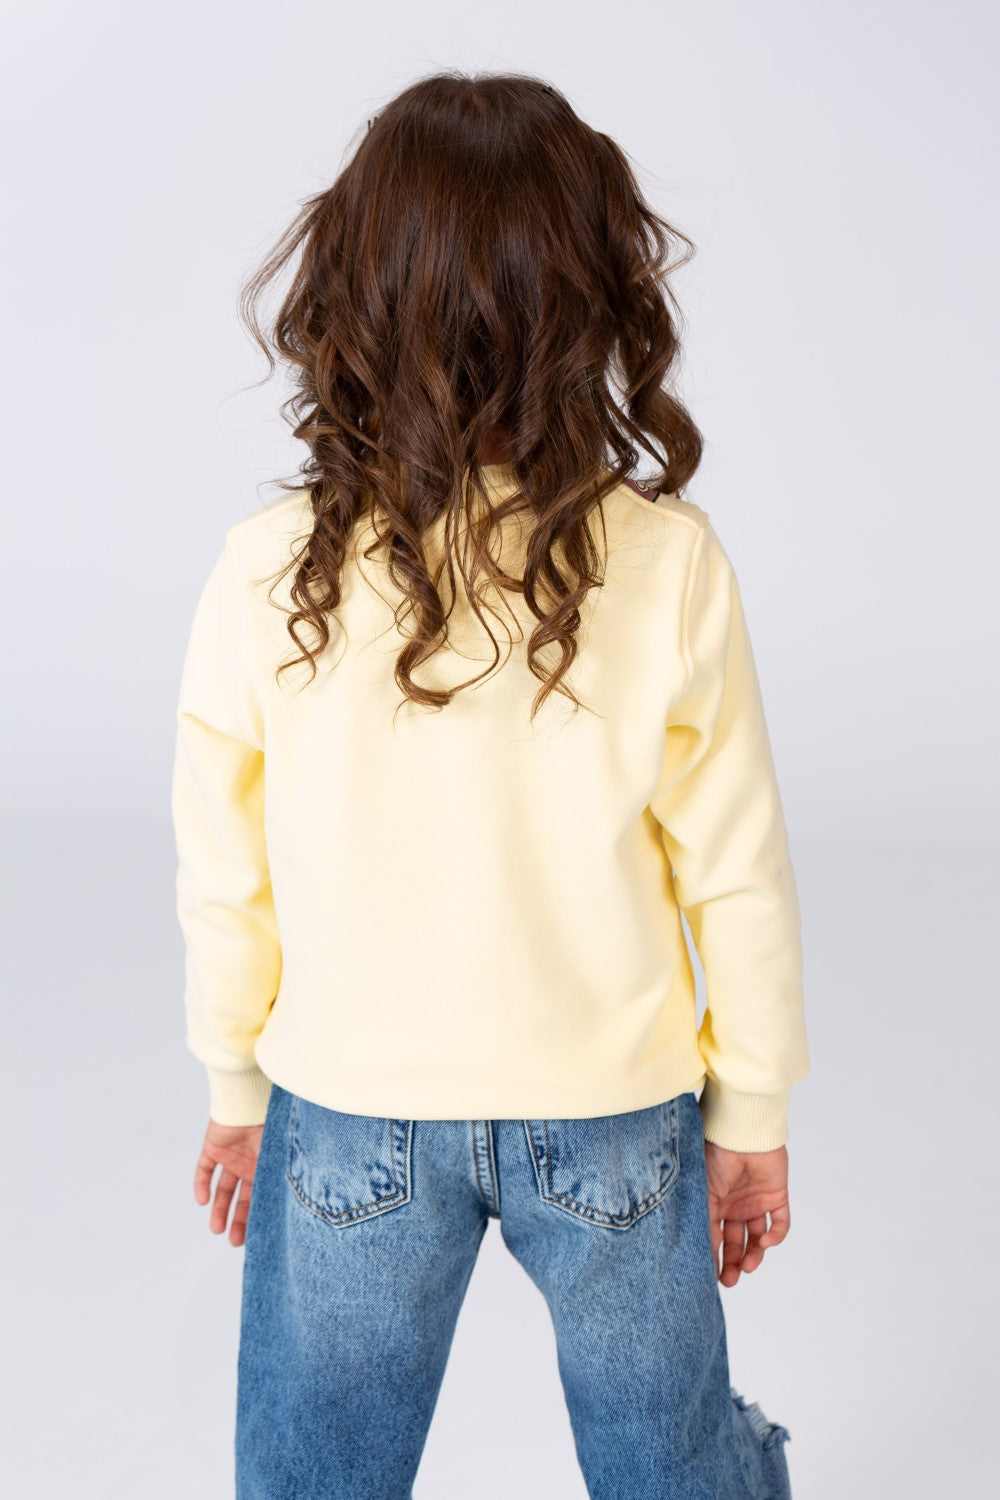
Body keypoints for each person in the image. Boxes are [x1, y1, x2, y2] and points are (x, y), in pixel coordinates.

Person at [171, 69, 809, 1500]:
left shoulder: (267, 572)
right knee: (673, 1469)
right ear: (595, 301)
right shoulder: (667, 563)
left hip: (350, 1107)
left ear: (352, 293)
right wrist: (752, 1118)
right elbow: (739, 870)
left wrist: (234, 1080)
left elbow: (223, 866)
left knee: (315, 1479)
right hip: (615, 1112)